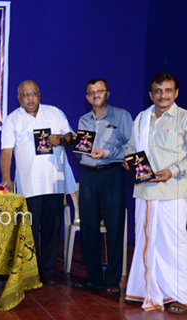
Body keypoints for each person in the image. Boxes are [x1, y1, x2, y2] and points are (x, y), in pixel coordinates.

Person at [0, 80, 76, 286]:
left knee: (52, 229)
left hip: (54, 182)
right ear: (19, 98)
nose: (30, 98)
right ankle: (29, 270)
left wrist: (61, 139)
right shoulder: (12, 120)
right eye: (25, 95)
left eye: (33, 93)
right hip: (29, 184)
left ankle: (48, 270)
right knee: (30, 231)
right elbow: (6, 151)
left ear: (39, 95)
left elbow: (71, 137)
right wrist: (6, 179)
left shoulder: (55, 113)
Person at [124, 72, 187, 313]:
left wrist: (172, 171)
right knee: (145, 243)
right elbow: (131, 147)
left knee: (174, 244)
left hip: (173, 191)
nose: (163, 95)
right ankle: (147, 290)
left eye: (168, 90)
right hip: (144, 191)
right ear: (151, 94)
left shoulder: (184, 118)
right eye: (158, 91)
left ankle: (179, 295)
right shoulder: (141, 118)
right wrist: (128, 160)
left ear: (176, 93)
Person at [72, 78, 132, 295]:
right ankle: (94, 276)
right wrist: (79, 147)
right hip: (88, 176)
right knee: (88, 229)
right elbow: (80, 150)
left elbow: (130, 147)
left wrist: (106, 153)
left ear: (107, 93)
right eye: (91, 92)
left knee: (115, 228)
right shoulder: (83, 119)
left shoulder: (122, 116)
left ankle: (113, 279)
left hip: (112, 175)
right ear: (87, 97)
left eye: (99, 91)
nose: (95, 95)